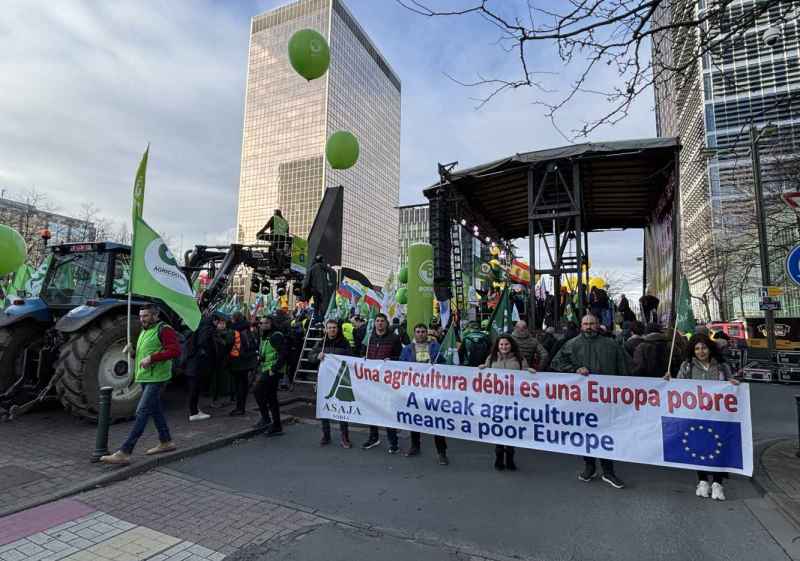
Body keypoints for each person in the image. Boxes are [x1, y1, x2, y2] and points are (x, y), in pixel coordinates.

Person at [550, 314, 629, 489]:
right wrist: (575, 369)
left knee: (606, 434)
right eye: (585, 323)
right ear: (581, 326)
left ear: (598, 325)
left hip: (607, 399)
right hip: (582, 400)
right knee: (586, 433)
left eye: (592, 323)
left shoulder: (611, 345)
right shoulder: (571, 344)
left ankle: (608, 471)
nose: (588, 326)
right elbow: (556, 363)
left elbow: (625, 369)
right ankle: (589, 467)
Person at [100, 305, 179, 465]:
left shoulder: (165, 330)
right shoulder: (145, 330)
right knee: (155, 410)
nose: (142, 319)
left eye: (146, 316)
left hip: (156, 377)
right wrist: (133, 352)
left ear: (155, 316)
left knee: (142, 411)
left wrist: (152, 358)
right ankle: (166, 442)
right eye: (141, 316)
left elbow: (175, 351)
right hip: (145, 377)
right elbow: (144, 354)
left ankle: (125, 452)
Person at [668, 333, 738, 501]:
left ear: (710, 348)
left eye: (704, 347)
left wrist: (735, 383)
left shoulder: (721, 366)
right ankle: (702, 480)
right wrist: (668, 381)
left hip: (718, 415)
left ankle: (717, 483)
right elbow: (678, 387)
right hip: (696, 415)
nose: (701, 351)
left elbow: (731, 383)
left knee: (718, 447)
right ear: (693, 350)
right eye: (697, 348)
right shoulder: (687, 366)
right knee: (698, 448)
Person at [480, 335, 531, 471]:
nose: (504, 347)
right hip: (496, 403)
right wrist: (482, 369)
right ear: (497, 346)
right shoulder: (491, 359)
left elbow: (526, 378)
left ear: (511, 345)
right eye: (501, 345)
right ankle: (498, 458)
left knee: (511, 432)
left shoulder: (520, 360)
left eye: (506, 344)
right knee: (498, 431)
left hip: (513, 403)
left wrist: (530, 373)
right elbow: (485, 377)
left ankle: (510, 459)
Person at [400, 323, 448, 465]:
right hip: (415, 390)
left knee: (436, 422)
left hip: (433, 390)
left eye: (423, 331)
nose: (420, 334)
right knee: (415, 419)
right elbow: (401, 365)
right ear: (414, 333)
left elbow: (444, 363)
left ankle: (442, 452)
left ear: (427, 333)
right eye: (418, 331)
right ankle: (415, 446)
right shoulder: (408, 349)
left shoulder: (435, 347)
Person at [361, 313, 402, 453]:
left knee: (387, 411)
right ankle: (373, 438)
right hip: (371, 381)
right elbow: (363, 354)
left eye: (382, 321)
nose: (379, 323)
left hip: (387, 382)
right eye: (377, 321)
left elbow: (400, 357)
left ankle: (393, 442)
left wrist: (392, 360)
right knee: (372, 410)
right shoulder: (370, 337)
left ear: (386, 323)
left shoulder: (394, 338)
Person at [310, 319, 353, 448]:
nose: (332, 330)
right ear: (326, 329)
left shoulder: (344, 343)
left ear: (337, 329)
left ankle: (345, 437)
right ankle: (326, 435)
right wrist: (317, 356)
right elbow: (310, 356)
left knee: (341, 409)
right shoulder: (321, 343)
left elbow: (351, 358)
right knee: (324, 408)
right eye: (329, 327)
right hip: (324, 380)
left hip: (340, 380)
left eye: (334, 327)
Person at [253, 315, 287, 436]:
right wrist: (261, 357)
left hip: (272, 371)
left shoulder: (276, 336)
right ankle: (276, 425)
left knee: (257, 390)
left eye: (265, 323)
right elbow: (268, 351)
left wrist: (275, 368)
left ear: (271, 323)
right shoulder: (265, 336)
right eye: (261, 323)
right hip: (266, 368)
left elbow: (283, 353)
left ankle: (267, 418)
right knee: (271, 397)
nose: (262, 325)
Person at [184, 314, 217, 421]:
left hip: (191, 362)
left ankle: (195, 410)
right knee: (195, 388)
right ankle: (194, 413)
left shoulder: (195, 328)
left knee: (193, 388)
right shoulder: (207, 328)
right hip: (198, 363)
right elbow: (204, 343)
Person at [228, 311, 259, 416]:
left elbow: (229, 344)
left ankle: (239, 408)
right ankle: (241, 407)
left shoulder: (234, 330)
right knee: (244, 384)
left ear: (235, 319)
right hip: (248, 360)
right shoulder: (249, 328)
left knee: (239, 385)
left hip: (238, 361)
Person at [210, 313, 233, 407]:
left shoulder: (228, 334)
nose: (222, 325)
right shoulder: (213, 334)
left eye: (224, 323)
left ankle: (218, 399)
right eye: (220, 323)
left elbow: (228, 345)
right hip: (215, 361)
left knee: (221, 381)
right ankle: (215, 400)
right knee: (216, 381)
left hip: (223, 361)